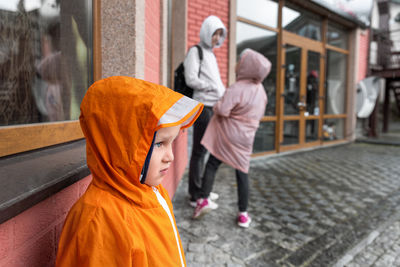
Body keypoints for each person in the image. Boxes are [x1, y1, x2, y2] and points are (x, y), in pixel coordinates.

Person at [55, 76, 203, 266]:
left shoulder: (151, 192)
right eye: (159, 144)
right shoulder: (100, 222)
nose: (170, 157)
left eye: (171, 142)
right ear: (121, 147)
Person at [192, 49, 271, 228]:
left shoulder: (238, 88)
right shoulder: (261, 92)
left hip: (228, 135)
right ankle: (243, 214)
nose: (237, 64)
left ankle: (203, 199)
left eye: (240, 61)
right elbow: (260, 114)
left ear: (247, 67)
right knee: (242, 171)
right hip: (246, 138)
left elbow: (223, 110)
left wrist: (219, 104)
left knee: (212, 163)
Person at [184, 15, 227, 208]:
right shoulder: (196, 51)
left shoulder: (211, 54)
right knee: (199, 151)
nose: (217, 38)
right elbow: (190, 79)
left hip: (213, 107)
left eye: (220, 35)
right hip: (202, 107)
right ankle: (195, 195)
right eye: (215, 34)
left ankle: (202, 190)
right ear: (206, 31)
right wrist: (210, 88)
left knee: (205, 150)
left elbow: (216, 82)